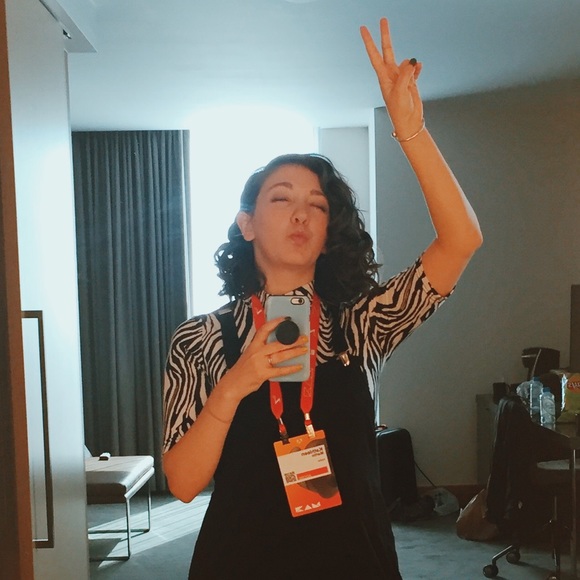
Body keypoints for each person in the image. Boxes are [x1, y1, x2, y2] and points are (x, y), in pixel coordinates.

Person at [162, 17, 482, 579]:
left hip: (355, 561)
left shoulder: (360, 324)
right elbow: (184, 484)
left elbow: (461, 241)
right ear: (246, 224)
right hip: (239, 563)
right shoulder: (200, 338)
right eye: (281, 198)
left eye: (317, 204)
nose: (301, 213)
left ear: (328, 229)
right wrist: (235, 384)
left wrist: (411, 132)